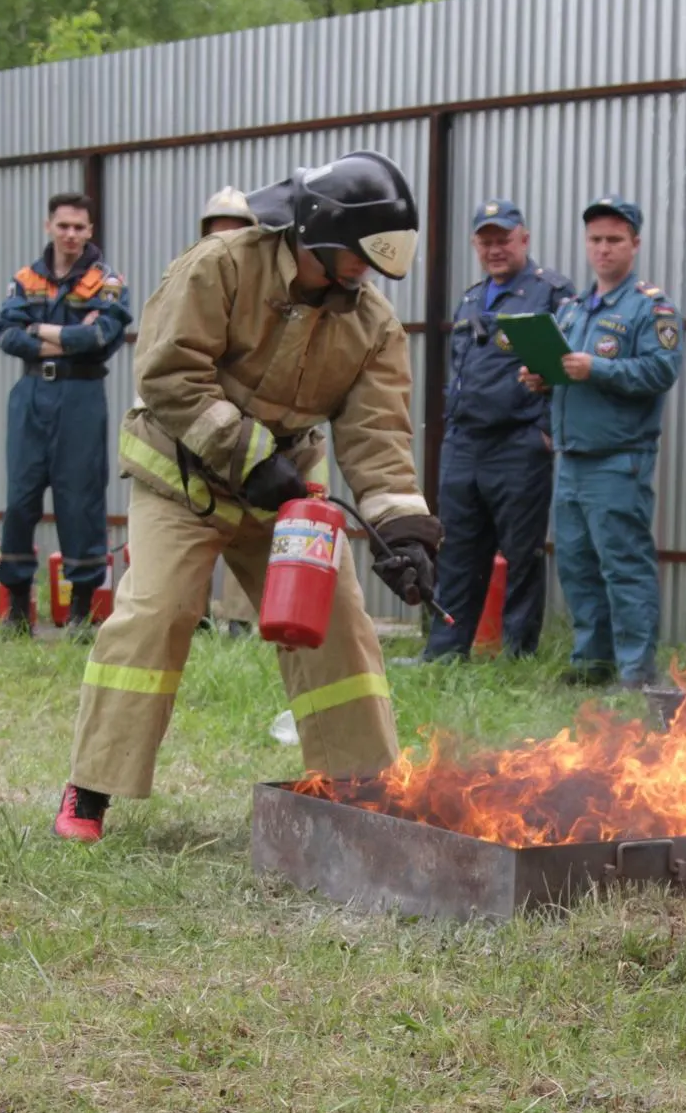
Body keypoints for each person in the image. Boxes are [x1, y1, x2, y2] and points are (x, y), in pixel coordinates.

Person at [54, 150, 442, 843]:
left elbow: (378, 434)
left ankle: (362, 788)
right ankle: (90, 790)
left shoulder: (372, 323)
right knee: (156, 612)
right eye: (357, 257)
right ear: (318, 234)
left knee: (340, 624)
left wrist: (405, 530)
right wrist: (247, 453)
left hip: (281, 498)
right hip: (182, 483)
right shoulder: (222, 265)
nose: (367, 275)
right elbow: (169, 372)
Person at [519, 195, 681, 689]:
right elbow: (565, 372)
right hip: (570, 458)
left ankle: (636, 673)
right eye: (595, 240)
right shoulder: (571, 311)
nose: (603, 249)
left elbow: (661, 370)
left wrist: (599, 368)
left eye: (614, 240)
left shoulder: (651, 307)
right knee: (578, 566)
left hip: (618, 461)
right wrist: (543, 378)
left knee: (623, 566)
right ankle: (592, 664)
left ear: (634, 244)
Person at [421, 199, 576, 663]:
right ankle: (446, 651)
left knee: (521, 554)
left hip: (517, 444)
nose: (495, 249)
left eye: (503, 239)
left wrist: (545, 432)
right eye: (486, 241)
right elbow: (460, 370)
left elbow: (563, 367)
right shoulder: (471, 297)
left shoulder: (550, 291)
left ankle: (518, 654)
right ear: (475, 244)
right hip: (465, 444)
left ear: (523, 239)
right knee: (457, 552)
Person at [0, 192, 133, 637]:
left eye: (79, 227)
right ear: (48, 226)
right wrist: (63, 336)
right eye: (63, 225)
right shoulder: (25, 279)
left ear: (90, 231)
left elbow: (104, 336)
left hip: (81, 395)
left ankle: (80, 615)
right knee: (20, 498)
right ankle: (16, 611)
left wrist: (37, 329)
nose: (71, 234)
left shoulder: (106, 281)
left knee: (80, 500)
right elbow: (5, 334)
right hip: (31, 393)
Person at [196, 186, 265, 636]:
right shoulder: (188, 281)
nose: (227, 247)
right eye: (218, 236)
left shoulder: (268, 294)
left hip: (250, 426)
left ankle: (241, 619)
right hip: (196, 427)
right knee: (189, 522)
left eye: (237, 236)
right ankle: (193, 613)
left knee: (253, 518)